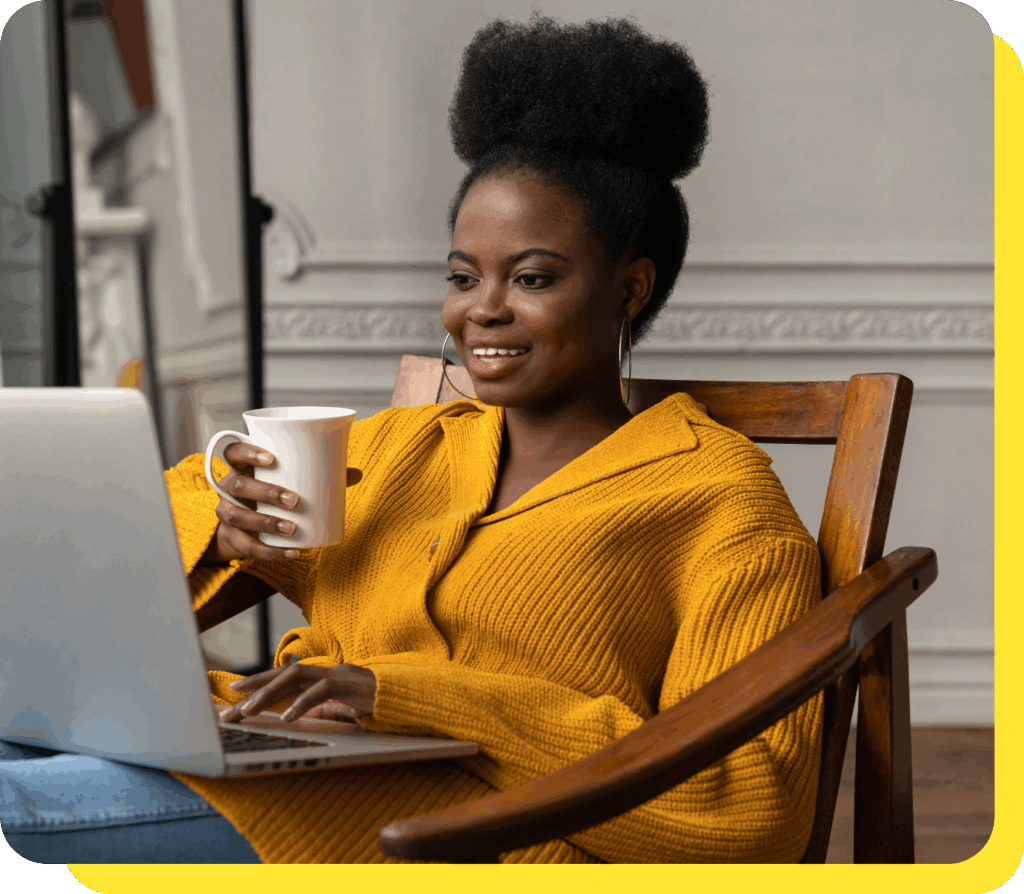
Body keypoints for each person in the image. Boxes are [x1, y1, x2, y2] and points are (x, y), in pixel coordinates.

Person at [1, 14, 822, 864]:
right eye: (463, 277)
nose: (483, 310)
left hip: (470, 835)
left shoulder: (722, 504)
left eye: (532, 277)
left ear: (630, 289)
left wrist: (404, 696)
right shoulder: (402, 449)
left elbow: (749, 811)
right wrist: (225, 524)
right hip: (281, 753)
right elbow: (105, 573)